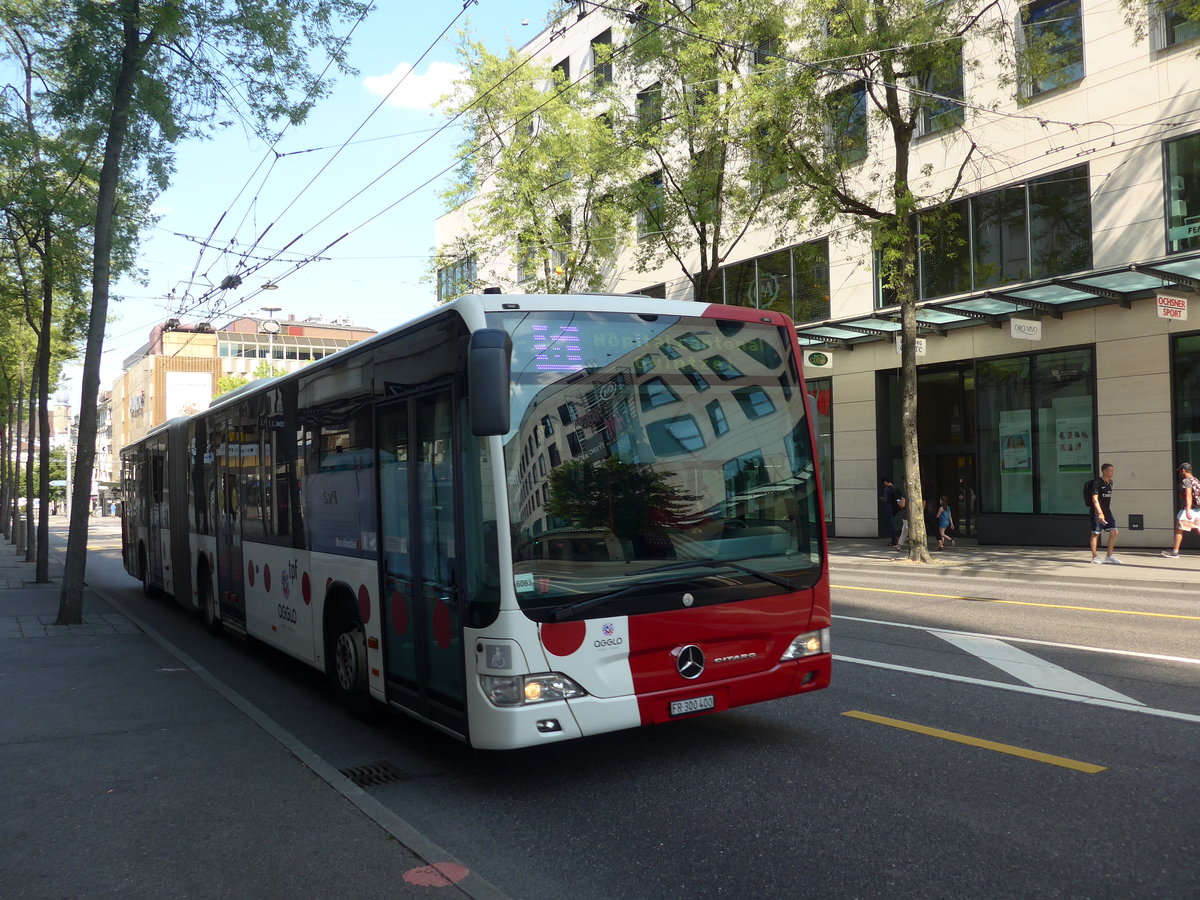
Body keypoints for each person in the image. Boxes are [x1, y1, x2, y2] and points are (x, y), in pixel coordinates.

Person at [1162, 461, 1200, 559]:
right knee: (1198, 528)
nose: (1179, 473)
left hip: (1189, 509)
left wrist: (1187, 510)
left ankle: (1175, 552)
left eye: (1180, 471)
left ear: (1183, 470)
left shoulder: (1186, 481)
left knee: (1179, 529)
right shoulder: (1196, 480)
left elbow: (1188, 495)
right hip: (1197, 509)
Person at [1088, 462, 1120, 564]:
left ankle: (1109, 556)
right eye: (1110, 470)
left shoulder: (1110, 482)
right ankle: (1094, 557)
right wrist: (1100, 513)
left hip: (1107, 511)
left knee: (1114, 532)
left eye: (1113, 470)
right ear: (1104, 471)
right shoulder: (1097, 483)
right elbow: (1094, 499)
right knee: (1095, 533)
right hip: (1097, 512)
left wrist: (1105, 513)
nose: (1112, 472)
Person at [880, 478, 901, 548]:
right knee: (892, 524)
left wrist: (882, 499)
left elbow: (885, 499)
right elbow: (899, 497)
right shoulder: (896, 488)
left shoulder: (886, 489)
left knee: (889, 524)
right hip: (894, 508)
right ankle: (895, 538)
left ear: (886, 482)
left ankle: (894, 540)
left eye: (884, 483)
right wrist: (898, 503)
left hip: (888, 508)